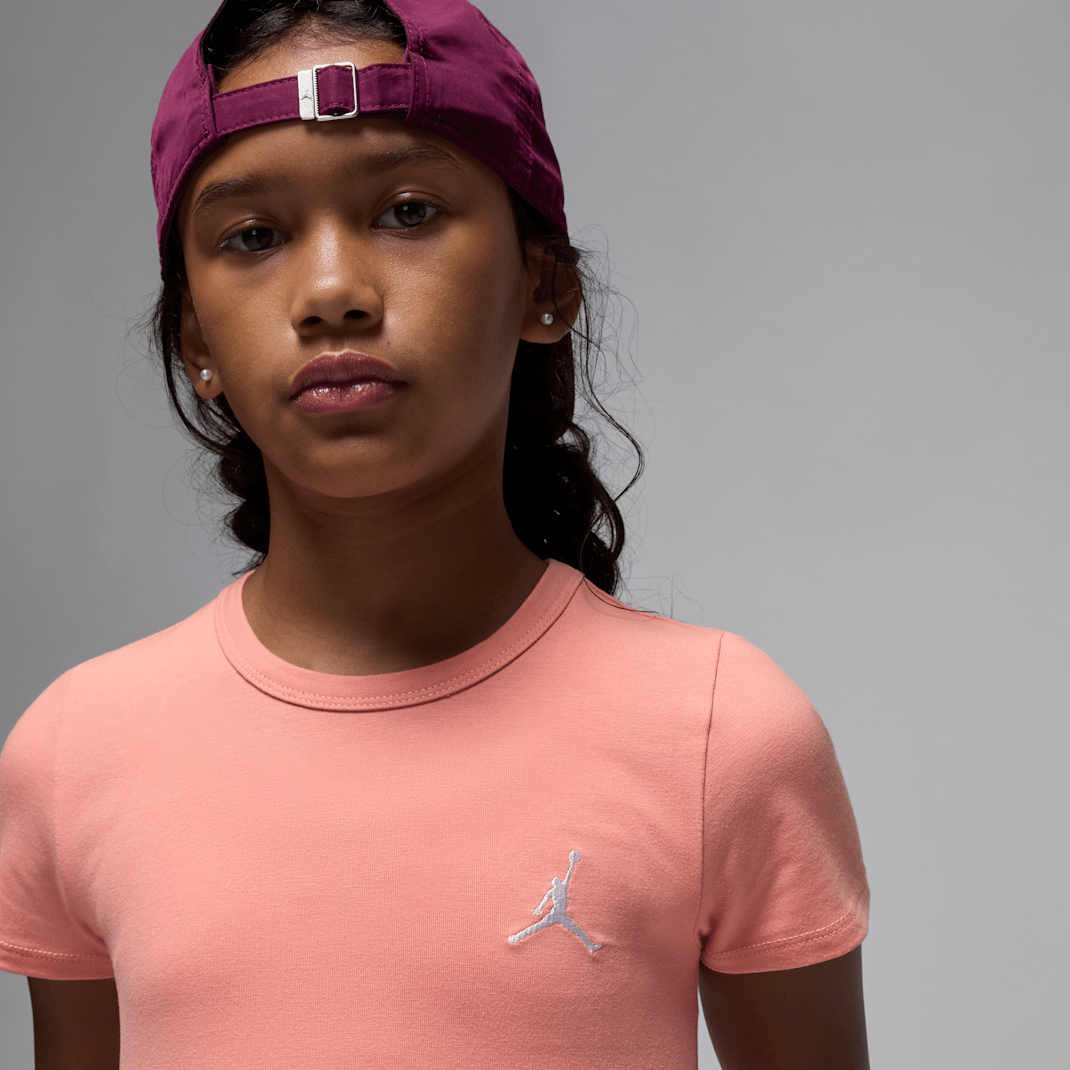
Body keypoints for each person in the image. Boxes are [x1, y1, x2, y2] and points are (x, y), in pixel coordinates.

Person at [0, 1, 871, 1066]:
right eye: (254, 236)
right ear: (195, 342)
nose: (331, 293)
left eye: (407, 211)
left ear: (542, 285)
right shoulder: (75, 752)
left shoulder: (722, 735)